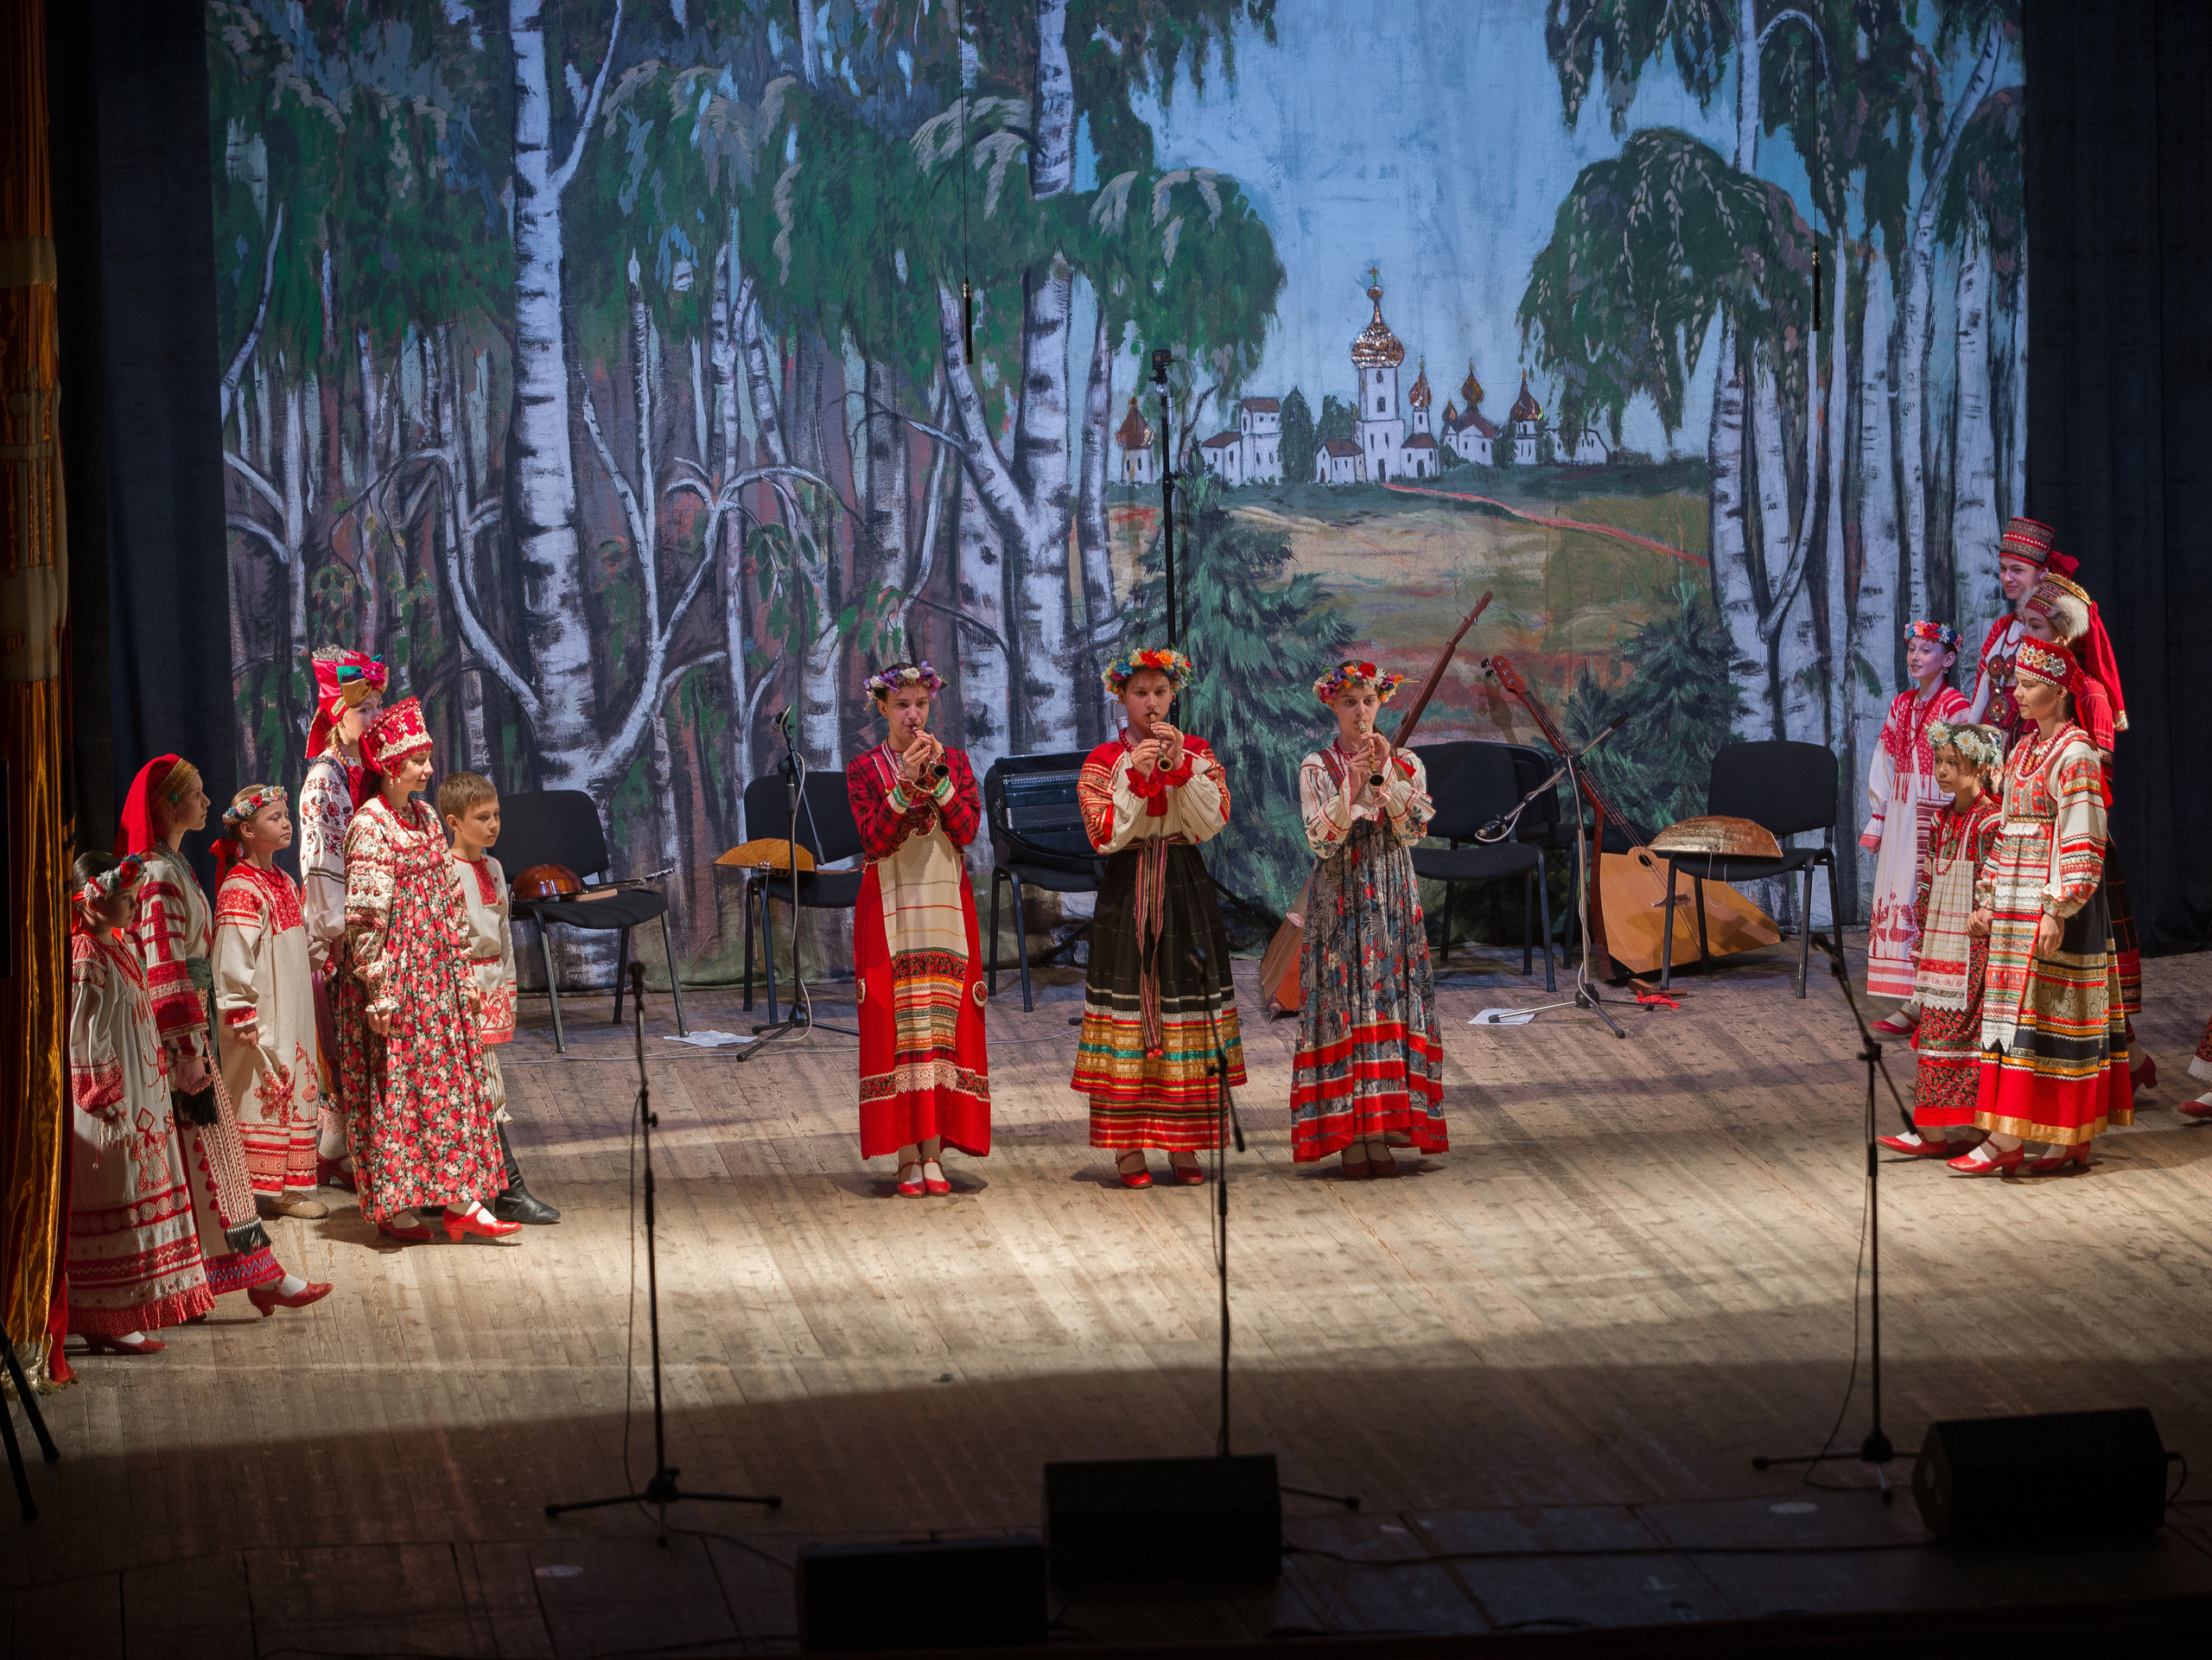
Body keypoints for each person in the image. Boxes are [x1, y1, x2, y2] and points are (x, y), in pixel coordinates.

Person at [118, 756, 329, 1313]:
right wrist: (186, 1044)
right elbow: (163, 963)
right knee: (210, 1159)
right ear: (169, 806)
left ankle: (251, 1275)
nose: (208, 804)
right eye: (199, 794)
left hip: (185, 1031)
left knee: (209, 1163)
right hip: (175, 1039)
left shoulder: (174, 866)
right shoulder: (158, 873)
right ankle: (231, 1278)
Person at [335, 697, 518, 1243]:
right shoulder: (371, 824)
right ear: (391, 764)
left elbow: (445, 897)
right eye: (418, 759)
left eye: (427, 757)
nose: (428, 769)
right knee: (397, 1093)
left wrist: (460, 971)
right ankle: (397, 1208)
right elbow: (365, 918)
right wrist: (380, 992)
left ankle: (464, 1201)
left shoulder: (426, 816)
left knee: (449, 1087)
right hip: (396, 980)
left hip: (436, 978)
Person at [1955, 639, 2133, 1176]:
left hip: (2056, 906)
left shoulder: (2075, 754)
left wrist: (2059, 906)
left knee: (2053, 1018)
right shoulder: (2024, 750)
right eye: (2018, 684)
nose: (2018, 694)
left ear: (2057, 693)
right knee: (2012, 1017)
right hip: (2014, 902)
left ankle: (2053, 1137)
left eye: (2028, 686)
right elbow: (2009, 832)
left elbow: (2083, 837)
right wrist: (1986, 898)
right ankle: (2013, 1137)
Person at [1072, 648, 1246, 1188]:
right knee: (1129, 1010)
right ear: (1121, 698)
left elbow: (1212, 821)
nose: (1151, 703)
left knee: (1186, 1010)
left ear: (1174, 697)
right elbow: (1105, 835)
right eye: (1140, 693)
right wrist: (1135, 775)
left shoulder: (1196, 752)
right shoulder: (1104, 761)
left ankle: (1184, 1142)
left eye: (1160, 692)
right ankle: (1127, 1147)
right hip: (1129, 888)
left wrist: (1182, 768)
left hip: (1182, 886)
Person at [1289, 662, 1446, 1180]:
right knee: (1344, 1002)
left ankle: (1381, 1129)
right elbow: (1320, 839)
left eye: (1369, 702)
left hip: (1392, 892)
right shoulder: (1317, 765)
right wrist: (1351, 789)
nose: (1361, 712)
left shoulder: (1405, 761)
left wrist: (1390, 779)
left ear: (1381, 705)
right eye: (1350, 703)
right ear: (1334, 708)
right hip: (1341, 896)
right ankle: (1348, 1134)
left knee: (1388, 998)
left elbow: (1415, 828)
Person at [845, 662, 990, 1195]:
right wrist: (904, 786)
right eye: (901, 705)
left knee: (940, 1025)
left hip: (944, 906)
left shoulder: (954, 761)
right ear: (882, 709)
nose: (913, 715)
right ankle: (906, 1153)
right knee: (898, 1022)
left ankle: (934, 1151)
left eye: (921, 705)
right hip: (890, 908)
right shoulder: (864, 769)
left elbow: (968, 829)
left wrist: (940, 783)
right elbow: (875, 839)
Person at [65, 853, 215, 1354]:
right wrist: (104, 1098)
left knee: (138, 1188)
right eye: (124, 900)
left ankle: (115, 1314)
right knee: (118, 1193)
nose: (133, 908)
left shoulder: (121, 945)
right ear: (92, 903)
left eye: (133, 899)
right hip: (113, 1102)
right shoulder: (86, 954)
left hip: (141, 1089)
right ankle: (106, 1314)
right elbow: (86, 1034)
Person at [2018, 570, 2146, 1075]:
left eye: (2039, 628)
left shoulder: (2085, 691)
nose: (2029, 636)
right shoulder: (2033, 685)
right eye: (2024, 625)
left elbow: (2094, 774)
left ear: (2066, 635)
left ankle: (2107, 1066)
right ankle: (2122, 1061)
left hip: (2072, 834)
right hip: (2033, 833)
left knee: (2081, 958)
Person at [1876, 722, 2005, 1159]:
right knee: (1937, 1032)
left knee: (1963, 1040)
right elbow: (1929, 879)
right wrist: (1922, 940)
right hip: (1941, 944)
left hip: (1973, 949)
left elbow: (1997, 881)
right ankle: (1943, 1131)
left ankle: (1952, 1131)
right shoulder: (1941, 818)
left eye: (1955, 763)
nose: (1944, 770)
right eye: (1940, 761)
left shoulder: (1991, 821)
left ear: (1980, 766)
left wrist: (1984, 919)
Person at [442, 770, 559, 1224]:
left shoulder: (491, 868)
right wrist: (461, 991)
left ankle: (482, 1190)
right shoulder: (443, 871)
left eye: (496, 816)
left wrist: (508, 992)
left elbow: (505, 937)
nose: (493, 825)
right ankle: (506, 1189)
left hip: (491, 987)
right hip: (460, 992)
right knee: (480, 1090)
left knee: (482, 1087)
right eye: (481, 817)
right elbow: (446, 939)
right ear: (454, 821)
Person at [297, 647, 388, 1188]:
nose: (374, 718)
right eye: (365, 709)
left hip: (360, 922)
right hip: (340, 930)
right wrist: (332, 934)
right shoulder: (324, 781)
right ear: (338, 712)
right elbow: (320, 861)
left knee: (353, 1040)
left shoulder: (358, 773)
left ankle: (338, 1147)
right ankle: (339, 1149)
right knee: (343, 1039)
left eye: (378, 707)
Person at [213, 785, 325, 1208]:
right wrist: (239, 1010)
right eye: (274, 818)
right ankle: (257, 1189)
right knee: (263, 1086)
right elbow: (232, 953)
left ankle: (284, 1186)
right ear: (246, 829)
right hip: (263, 1015)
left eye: (286, 815)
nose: (286, 823)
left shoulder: (280, 879)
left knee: (293, 1081)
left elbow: (293, 943)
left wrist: (320, 955)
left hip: (291, 1006)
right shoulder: (241, 886)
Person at [1861, 622, 1972, 1018]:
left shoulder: (1955, 705)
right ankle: (1913, 1001)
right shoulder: (1902, 704)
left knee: (1929, 898)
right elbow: (1886, 760)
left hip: (1936, 812)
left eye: (1926, 650)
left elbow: (1964, 764)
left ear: (1948, 659)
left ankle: (1930, 1002)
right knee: (1903, 893)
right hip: (1902, 815)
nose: (1916, 656)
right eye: (1912, 648)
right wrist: (1879, 818)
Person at [1964, 516, 2060, 735]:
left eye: (2017, 570)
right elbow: (1982, 691)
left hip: (2031, 734)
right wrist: (1968, 738)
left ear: (2043, 573)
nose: (2007, 577)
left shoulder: (2052, 629)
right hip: (1991, 739)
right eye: (2003, 569)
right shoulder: (2001, 627)